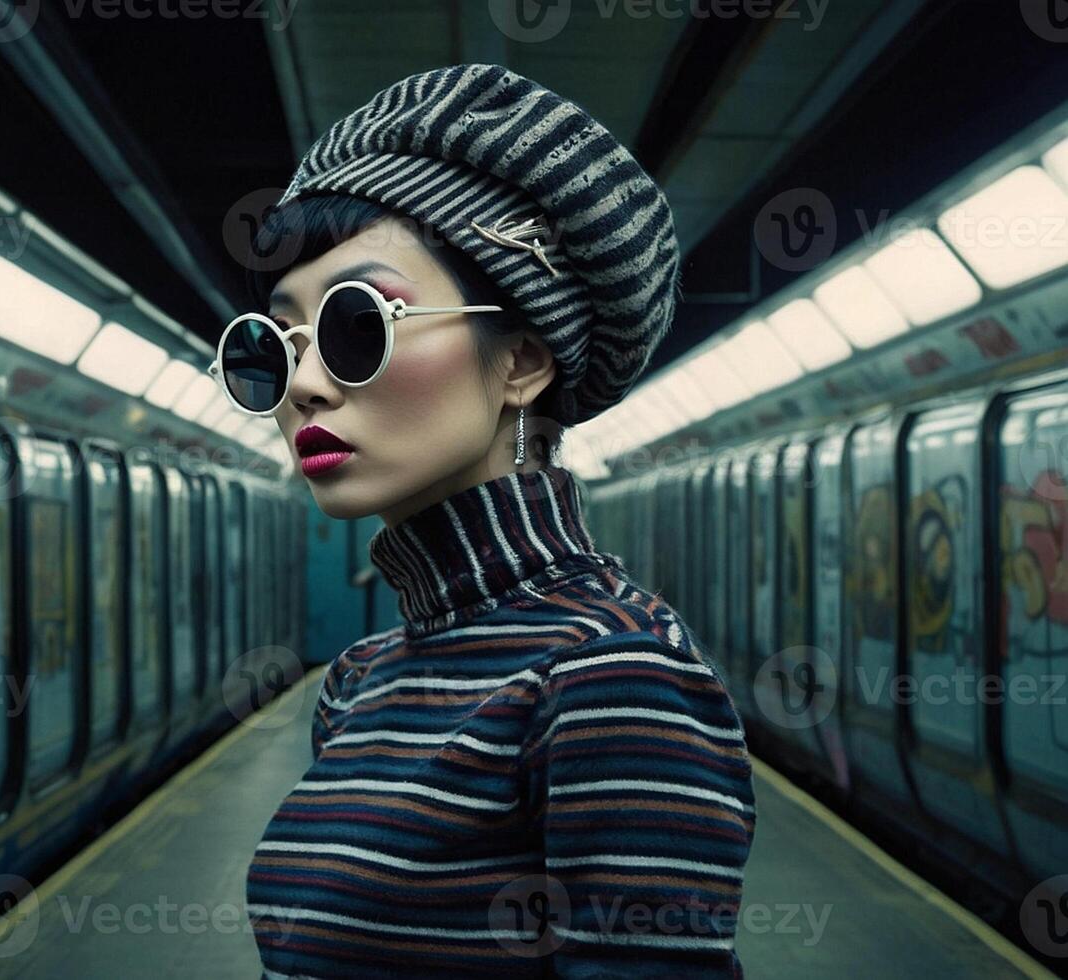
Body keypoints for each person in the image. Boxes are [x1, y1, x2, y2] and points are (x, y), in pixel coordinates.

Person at [210, 63, 755, 978]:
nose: (301, 385)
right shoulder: (359, 680)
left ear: (521, 363)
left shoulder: (611, 674)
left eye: (356, 325)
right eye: (276, 345)